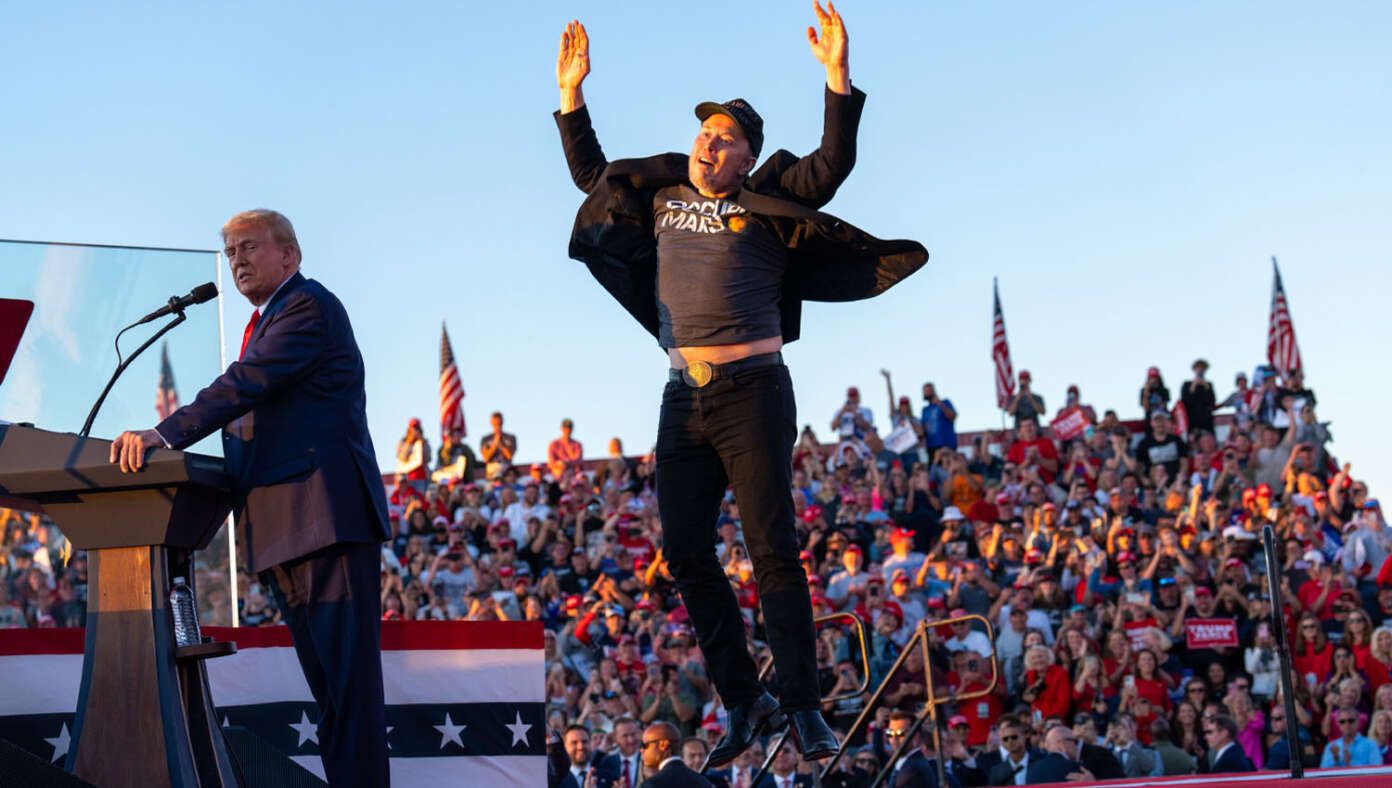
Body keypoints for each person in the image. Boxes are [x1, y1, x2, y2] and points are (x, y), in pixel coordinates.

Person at [553, 3, 925, 767]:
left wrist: (837, 76)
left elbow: (831, 166)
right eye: (704, 133)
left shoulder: (767, 198)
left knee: (772, 548)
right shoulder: (663, 196)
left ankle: (803, 706)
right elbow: (596, 176)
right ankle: (745, 700)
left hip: (754, 389)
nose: (708, 143)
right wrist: (572, 96)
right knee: (686, 552)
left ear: (747, 157)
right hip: (681, 395)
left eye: (724, 138)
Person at [109, 209, 390, 786]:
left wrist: (165, 434)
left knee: (349, 697)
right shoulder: (269, 321)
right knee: (333, 698)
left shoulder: (307, 307)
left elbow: (246, 383)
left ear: (289, 255)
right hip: (286, 530)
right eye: (231, 251)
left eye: (249, 247)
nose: (237, 259)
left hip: (325, 523)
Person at [882, 711, 948, 788]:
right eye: (890, 733)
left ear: (915, 736)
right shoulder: (906, 762)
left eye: (900, 733)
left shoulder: (914, 769)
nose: (894, 738)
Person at [639, 721, 710, 788]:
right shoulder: (703, 781)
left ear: (663, 745)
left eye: (645, 745)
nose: (641, 750)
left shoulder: (653, 784)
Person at [1025, 725, 1092, 784]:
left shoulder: (1032, 770)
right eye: (1075, 742)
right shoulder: (1077, 769)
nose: (1077, 747)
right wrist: (1091, 783)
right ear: (1061, 743)